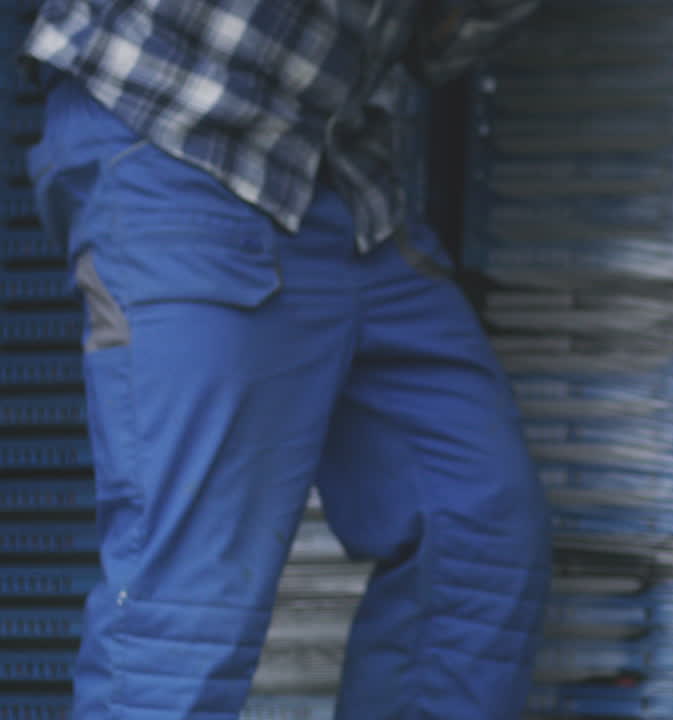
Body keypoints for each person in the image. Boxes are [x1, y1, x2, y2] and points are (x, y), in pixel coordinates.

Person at [22, 2, 551, 718]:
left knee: (477, 528)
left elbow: (438, 47)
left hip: (347, 181)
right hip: (180, 137)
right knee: (188, 596)